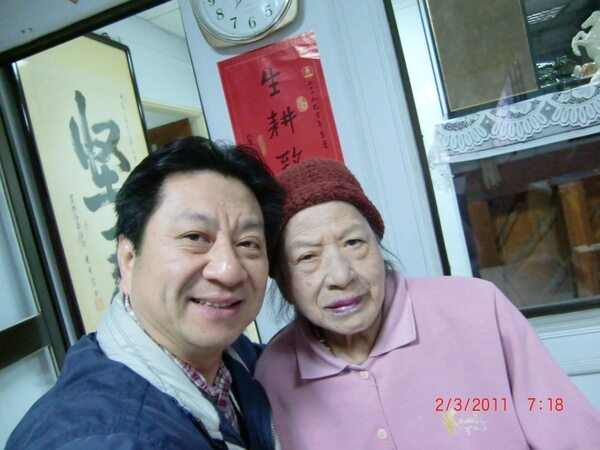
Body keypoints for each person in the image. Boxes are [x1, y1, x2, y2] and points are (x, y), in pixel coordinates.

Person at [255, 158, 600, 450]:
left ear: (377, 244)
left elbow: (556, 415)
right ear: (281, 279)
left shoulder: (476, 308)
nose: (341, 275)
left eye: (354, 243)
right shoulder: (274, 373)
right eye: (308, 256)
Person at [8, 136, 283, 450]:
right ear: (128, 259)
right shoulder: (104, 438)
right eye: (195, 237)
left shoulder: (233, 357)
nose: (229, 270)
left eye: (248, 243)